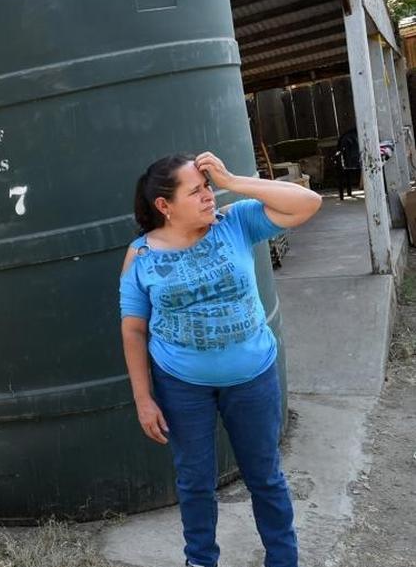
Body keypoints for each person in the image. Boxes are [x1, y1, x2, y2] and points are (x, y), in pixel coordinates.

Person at [118, 152, 322, 567]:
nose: (209, 196)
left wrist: (234, 181)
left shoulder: (236, 222)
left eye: (208, 186)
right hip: (181, 384)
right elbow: (133, 329)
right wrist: (143, 398)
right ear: (164, 206)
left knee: (264, 476)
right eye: (196, 191)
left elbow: (308, 202)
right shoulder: (140, 256)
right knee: (194, 483)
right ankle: (200, 560)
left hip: (253, 376)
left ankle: (283, 560)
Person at [336, 129, 360, 200]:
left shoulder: (346, 136)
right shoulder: (352, 135)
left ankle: (344, 194)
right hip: (355, 159)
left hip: (348, 161)